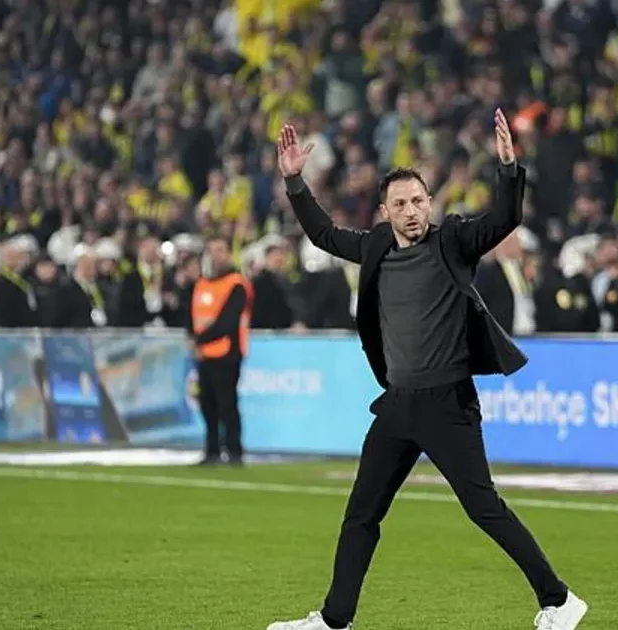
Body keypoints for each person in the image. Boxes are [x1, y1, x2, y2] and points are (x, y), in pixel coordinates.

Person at [268, 111, 586, 630]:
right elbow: (324, 234)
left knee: (484, 508)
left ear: (430, 203)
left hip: (447, 404)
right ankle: (334, 619)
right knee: (362, 514)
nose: (411, 211)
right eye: (400, 204)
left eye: (418, 201)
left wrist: (509, 169)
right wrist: (295, 182)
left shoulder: (452, 241)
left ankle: (560, 600)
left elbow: (503, 220)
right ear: (385, 212)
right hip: (398, 405)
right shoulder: (375, 246)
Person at [187, 236, 254, 467]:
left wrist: (198, 340)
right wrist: (194, 340)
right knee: (207, 404)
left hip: (227, 353)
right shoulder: (201, 284)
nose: (216, 255)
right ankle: (212, 449)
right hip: (204, 354)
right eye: (212, 250)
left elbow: (227, 322)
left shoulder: (237, 284)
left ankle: (234, 451)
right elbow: (193, 316)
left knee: (227, 404)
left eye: (220, 250)